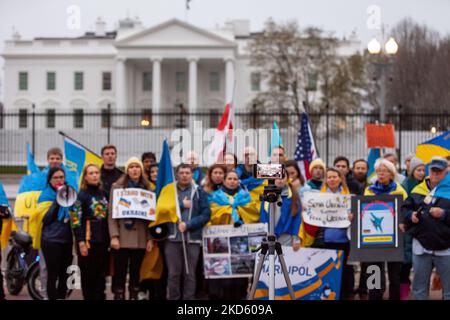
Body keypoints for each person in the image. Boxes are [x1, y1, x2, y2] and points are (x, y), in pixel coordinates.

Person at [402, 156, 450, 300]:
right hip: (421, 247)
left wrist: (444, 214)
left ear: (446, 172)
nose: (435, 174)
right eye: (433, 170)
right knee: (419, 291)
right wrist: (410, 216)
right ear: (429, 170)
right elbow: (405, 208)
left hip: (446, 248)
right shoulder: (418, 189)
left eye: (439, 171)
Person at [207, 170, 259, 299]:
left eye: (235, 179)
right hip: (221, 242)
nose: (232, 181)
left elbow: (253, 215)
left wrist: (240, 215)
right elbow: (211, 216)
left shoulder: (246, 197)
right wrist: (228, 211)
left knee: (240, 277)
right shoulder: (214, 197)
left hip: (240, 243)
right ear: (224, 181)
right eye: (229, 179)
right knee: (223, 277)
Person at [108, 157, 154, 300]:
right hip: (122, 236)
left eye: (137, 167)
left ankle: (134, 294)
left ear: (141, 170)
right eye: (132, 167)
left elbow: (151, 218)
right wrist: (114, 236)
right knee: (120, 271)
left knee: (136, 271)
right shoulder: (117, 187)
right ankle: (119, 294)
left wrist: (150, 238)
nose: (135, 169)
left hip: (140, 237)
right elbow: (111, 214)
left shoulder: (147, 189)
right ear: (127, 170)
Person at [164, 164, 211, 300]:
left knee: (190, 274)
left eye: (187, 173)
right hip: (173, 238)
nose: (184, 175)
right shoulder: (169, 191)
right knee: (173, 274)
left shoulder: (199, 191)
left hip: (192, 240)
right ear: (177, 174)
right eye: (182, 173)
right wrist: (180, 205)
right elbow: (162, 210)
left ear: (192, 174)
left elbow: (206, 214)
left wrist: (189, 224)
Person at [363, 158, 408, 300]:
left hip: (394, 239)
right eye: (378, 171)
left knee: (394, 276)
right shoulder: (368, 190)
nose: (381, 174)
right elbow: (362, 211)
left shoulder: (400, 191)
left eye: (385, 171)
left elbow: (405, 212)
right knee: (374, 273)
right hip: (373, 240)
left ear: (392, 174)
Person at [311, 167, 354, 300]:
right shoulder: (318, 197)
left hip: (344, 240)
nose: (331, 179)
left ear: (341, 179)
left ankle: (346, 295)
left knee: (346, 270)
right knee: (327, 271)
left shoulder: (349, 197)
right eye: (329, 177)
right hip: (325, 240)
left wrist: (352, 217)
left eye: (334, 177)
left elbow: (357, 217)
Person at [70, 164, 109, 300]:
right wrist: (80, 242)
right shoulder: (80, 196)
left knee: (101, 277)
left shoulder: (104, 193)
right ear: (85, 177)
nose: (94, 175)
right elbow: (76, 220)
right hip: (87, 241)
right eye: (91, 173)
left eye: (97, 173)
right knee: (88, 277)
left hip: (103, 241)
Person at [36, 167, 74, 300]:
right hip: (51, 241)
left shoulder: (70, 193)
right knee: (52, 275)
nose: (59, 180)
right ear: (50, 180)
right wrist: (57, 201)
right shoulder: (45, 195)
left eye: (62, 177)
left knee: (65, 274)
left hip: (67, 239)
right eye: (56, 177)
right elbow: (46, 219)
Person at [397, 157, 425, 300]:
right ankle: (404, 291)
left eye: (423, 170)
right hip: (408, 227)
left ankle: (417, 290)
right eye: (418, 170)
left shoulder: (426, 185)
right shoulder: (405, 185)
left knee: (421, 263)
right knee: (405, 263)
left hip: (421, 228)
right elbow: (402, 206)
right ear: (412, 171)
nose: (421, 173)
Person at [260, 174, 302, 250]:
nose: (280, 180)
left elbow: (297, 219)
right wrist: (265, 235)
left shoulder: (293, 196)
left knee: (287, 261)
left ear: (287, 178)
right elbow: (263, 218)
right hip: (269, 236)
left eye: (282, 177)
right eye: (276, 178)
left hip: (286, 237)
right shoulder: (266, 196)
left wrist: (296, 238)